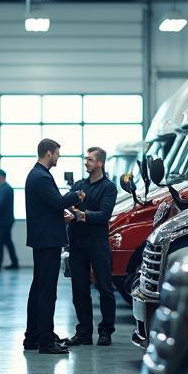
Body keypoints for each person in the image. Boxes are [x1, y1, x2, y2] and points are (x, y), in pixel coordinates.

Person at [24, 138, 84, 355]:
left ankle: (33, 336)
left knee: (38, 288)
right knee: (47, 291)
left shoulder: (36, 175)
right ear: (49, 153)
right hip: (47, 240)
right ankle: (46, 341)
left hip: (42, 239)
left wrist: (61, 214)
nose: (58, 157)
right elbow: (57, 202)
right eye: (57, 153)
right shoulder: (41, 177)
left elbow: (48, 207)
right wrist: (75, 195)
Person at [64, 147, 119, 347]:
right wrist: (77, 212)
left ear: (100, 163)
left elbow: (104, 215)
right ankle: (84, 333)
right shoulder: (79, 185)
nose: (85, 162)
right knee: (79, 289)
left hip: (97, 243)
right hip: (77, 244)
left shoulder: (109, 188)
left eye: (89, 159)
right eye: (85, 159)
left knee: (104, 288)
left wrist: (80, 215)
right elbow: (68, 204)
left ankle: (106, 332)